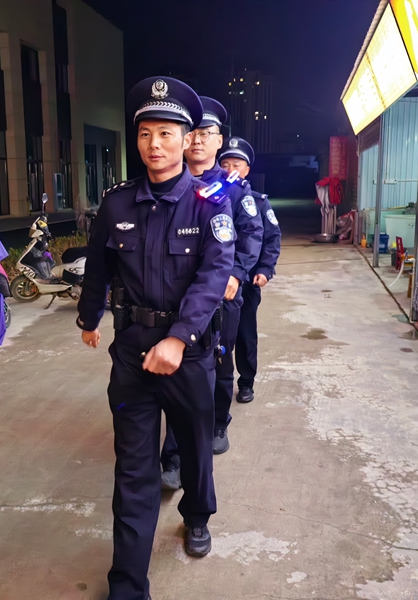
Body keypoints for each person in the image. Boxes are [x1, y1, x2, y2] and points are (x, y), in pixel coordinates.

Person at [77, 77, 235, 600]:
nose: (155, 144)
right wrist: (89, 317)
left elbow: (214, 275)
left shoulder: (210, 204)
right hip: (131, 353)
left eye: (166, 133)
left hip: (189, 354)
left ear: (187, 139)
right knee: (133, 471)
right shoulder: (117, 204)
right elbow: (98, 267)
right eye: (146, 133)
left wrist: (180, 338)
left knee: (194, 449)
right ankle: (127, 586)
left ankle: (197, 515)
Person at [160, 97, 263, 488]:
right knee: (178, 374)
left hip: (222, 297)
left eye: (208, 133)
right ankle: (173, 458)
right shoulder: (169, 184)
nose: (199, 140)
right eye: (195, 133)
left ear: (220, 141)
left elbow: (251, 234)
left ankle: (219, 423)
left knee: (219, 364)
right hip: (179, 299)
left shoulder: (234, 190)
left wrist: (237, 274)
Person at [219, 137, 282, 403]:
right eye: (225, 165)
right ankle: (216, 382)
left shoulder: (258, 202)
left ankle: (246, 382)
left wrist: (265, 269)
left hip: (246, 279)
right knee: (217, 335)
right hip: (216, 279)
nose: (230, 170)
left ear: (246, 170)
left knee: (245, 332)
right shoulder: (211, 197)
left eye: (236, 165)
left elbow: (271, 238)